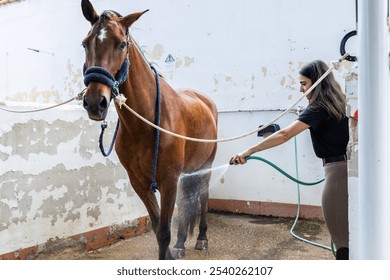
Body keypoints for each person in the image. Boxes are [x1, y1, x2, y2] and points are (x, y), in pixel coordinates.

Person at [230, 60, 349, 260]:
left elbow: (285, 134)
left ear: (317, 83)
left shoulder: (319, 107)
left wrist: (248, 151)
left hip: (337, 174)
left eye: (304, 83)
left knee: (343, 245)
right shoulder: (339, 102)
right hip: (344, 169)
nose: (300, 89)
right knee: (350, 236)